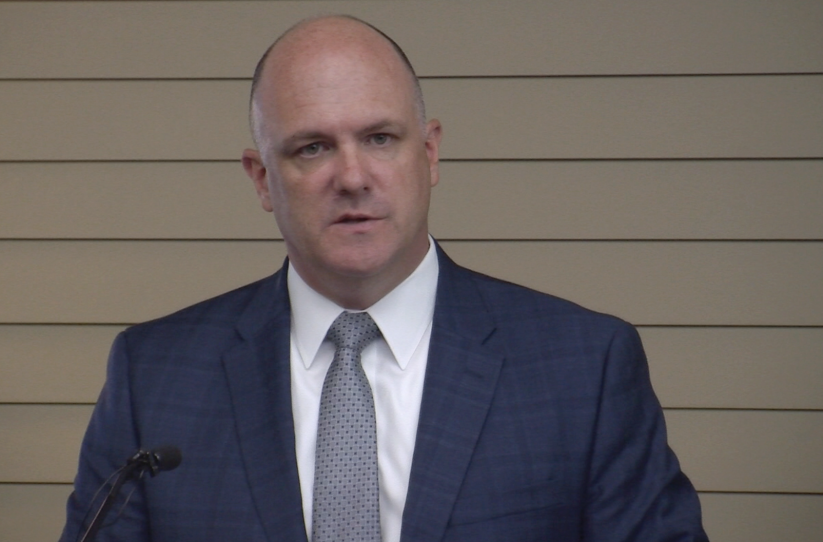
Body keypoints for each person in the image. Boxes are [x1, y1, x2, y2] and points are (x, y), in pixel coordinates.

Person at [60, 15, 708, 542]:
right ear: (261, 179)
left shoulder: (582, 367)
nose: (352, 176)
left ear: (428, 154)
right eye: (312, 147)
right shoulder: (155, 375)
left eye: (378, 138)